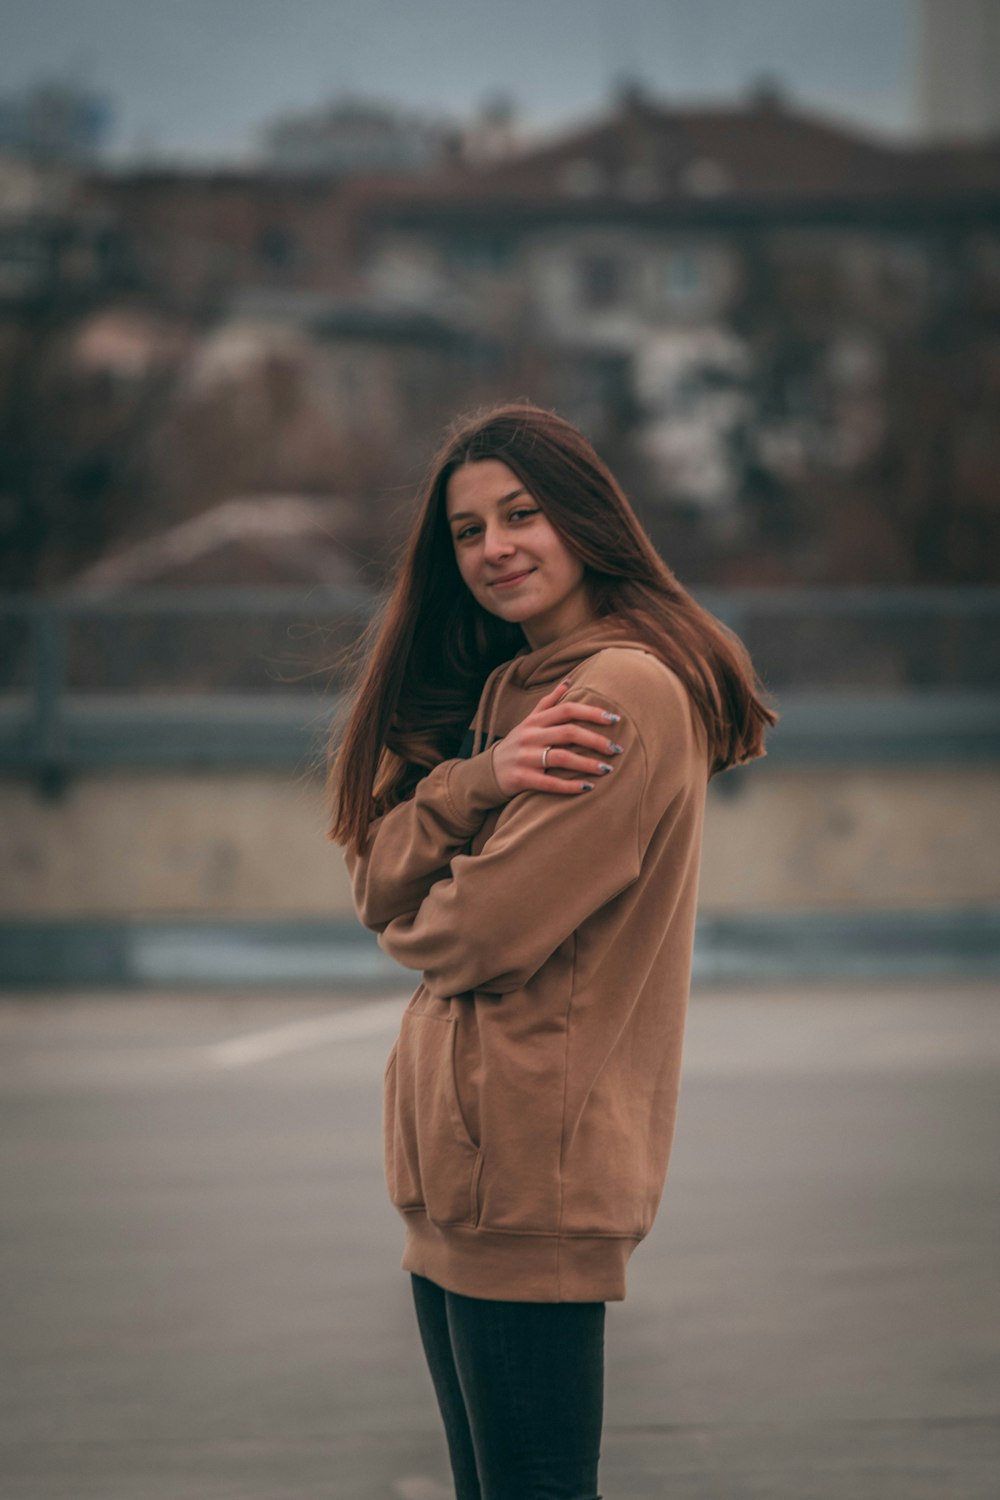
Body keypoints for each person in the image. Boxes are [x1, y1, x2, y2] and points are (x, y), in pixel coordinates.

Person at [326, 401, 777, 1500]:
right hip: (461, 1177)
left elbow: (466, 931)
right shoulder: (509, 696)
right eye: (468, 531)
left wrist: (419, 911)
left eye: (521, 514)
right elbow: (377, 875)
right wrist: (478, 781)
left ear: (585, 520)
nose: (494, 549)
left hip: (531, 1177)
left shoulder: (618, 690)